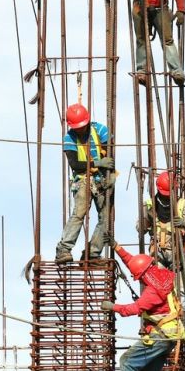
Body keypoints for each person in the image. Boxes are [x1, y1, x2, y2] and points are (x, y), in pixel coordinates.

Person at [103, 243, 178, 371]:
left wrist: (112, 306)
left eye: (139, 278)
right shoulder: (161, 275)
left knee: (126, 361)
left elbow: (133, 309)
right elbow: (136, 264)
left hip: (160, 336)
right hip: (169, 337)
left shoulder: (153, 291)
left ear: (143, 275)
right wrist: (117, 247)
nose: (139, 281)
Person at [55, 103, 114, 263]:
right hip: (82, 180)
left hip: (101, 180)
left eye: (82, 126)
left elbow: (110, 156)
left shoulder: (100, 130)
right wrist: (97, 163)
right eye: (77, 127)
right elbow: (75, 165)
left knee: (106, 218)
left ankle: (93, 253)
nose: (80, 130)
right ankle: (63, 249)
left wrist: (109, 172)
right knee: (79, 214)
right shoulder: (69, 138)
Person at [138, 170, 185, 268]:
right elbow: (140, 229)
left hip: (177, 254)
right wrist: (147, 219)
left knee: (179, 283)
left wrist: (184, 224)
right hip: (157, 253)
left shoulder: (182, 204)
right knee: (158, 281)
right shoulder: (149, 205)